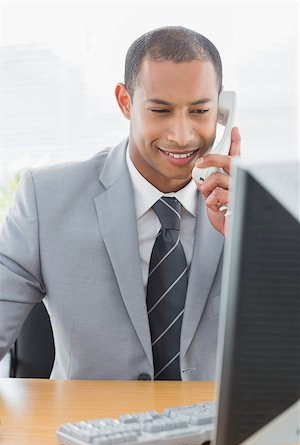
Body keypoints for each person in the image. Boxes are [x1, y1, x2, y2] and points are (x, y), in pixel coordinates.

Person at [0, 26, 240, 380]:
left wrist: (252, 242)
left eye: (199, 111)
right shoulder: (45, 200)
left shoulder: (255, 207)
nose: (182, 135)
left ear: (221, 108)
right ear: (126, 103)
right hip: (87, 428)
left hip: (216, 431)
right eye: (160, 110)